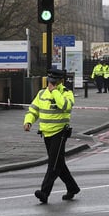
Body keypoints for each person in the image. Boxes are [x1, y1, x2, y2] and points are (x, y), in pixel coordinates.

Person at [23, 68, 80, 204]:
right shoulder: (41, 93)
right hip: (46, 133)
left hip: (60, 132)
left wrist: (54, 91)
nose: (51, 84)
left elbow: (65, 106)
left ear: (61, 81)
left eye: (54, 81)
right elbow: (34, 110)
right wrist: (28, 121)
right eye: (50, 81)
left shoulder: (67, 93)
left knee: (53, 165)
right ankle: (72, 188)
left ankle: (44, 193)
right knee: (59, 164)